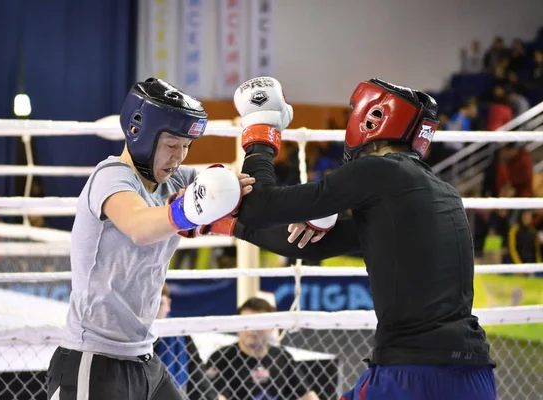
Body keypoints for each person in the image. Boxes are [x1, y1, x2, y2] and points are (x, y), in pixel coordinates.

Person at [196, 77, 497, 399]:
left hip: (412, 372)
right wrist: (224, 225)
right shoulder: (441, 193)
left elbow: (259, 206)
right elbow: (309, 246)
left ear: (371, 118)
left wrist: (262, 129)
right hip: (475, 375)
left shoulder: (379, 171)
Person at [45, 78, 253, 400]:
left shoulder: (178, 180)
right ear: (139, 132)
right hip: (94, 358)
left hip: (145, 359)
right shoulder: (111, 176)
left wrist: (293, 213)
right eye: (171, 146)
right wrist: (193, 210)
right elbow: (140, 226)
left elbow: (234, 204)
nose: (179, 158)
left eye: (186, 147)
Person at [206, 297, 319, 400]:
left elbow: (308, 395)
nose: (252, 329)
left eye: (258, 323)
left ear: (272, 326)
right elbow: (216, 397)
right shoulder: (222, 358)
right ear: (237, 326)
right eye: (246, 323)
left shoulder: (282, 357)